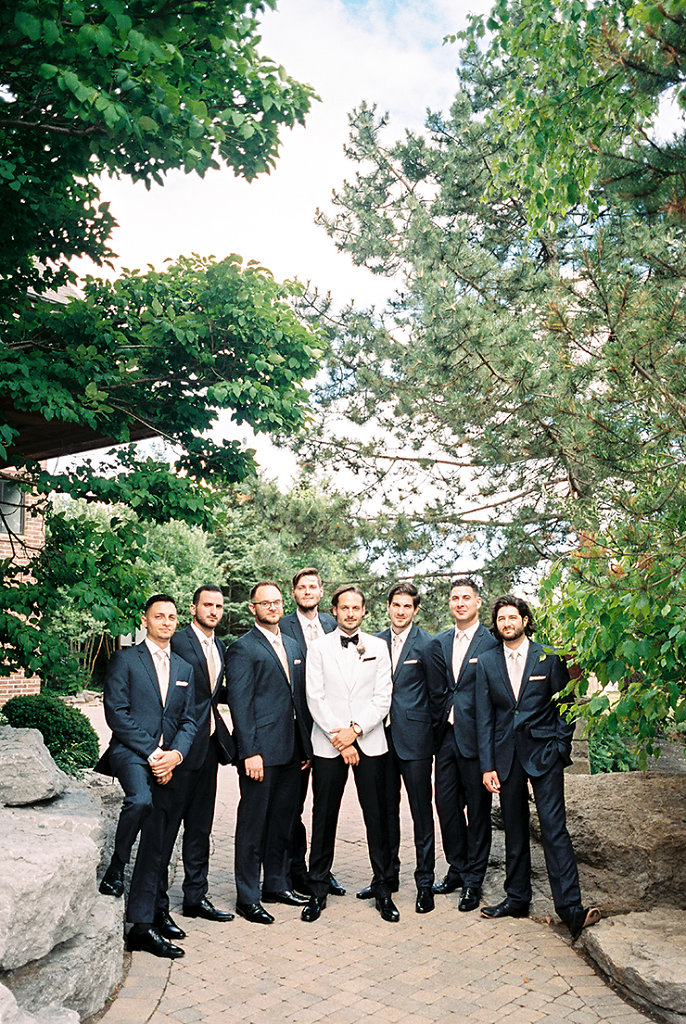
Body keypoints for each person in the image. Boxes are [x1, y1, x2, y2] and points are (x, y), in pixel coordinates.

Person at [476, 594, 601, 940]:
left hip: (545, 754)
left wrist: (561, 747)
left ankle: (570, 909)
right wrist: (488, 766)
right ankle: (517, 899)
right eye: (501, 619)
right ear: (496, 624)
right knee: (514, 830)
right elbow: (484, 719)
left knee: (553, 829)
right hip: (505, 759)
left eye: (512, 617)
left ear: (525, 620)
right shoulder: (486, 663)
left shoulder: (548, 657)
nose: (506, 623)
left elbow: (566, 705)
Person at [97, 594, 197, 959]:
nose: (167, 622)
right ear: (146, 619)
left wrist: (174, 755)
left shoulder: (185, 668)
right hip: (130, 753)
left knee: (157, 841)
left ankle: (141, 926)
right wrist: (153, 753)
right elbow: (116, 713)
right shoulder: (126, 659)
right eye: (160, 616)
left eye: (172, 616)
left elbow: (190, 720)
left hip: (167, 761)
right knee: (139, 800)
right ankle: (116, 866)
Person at [301, 584, 397, 924]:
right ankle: (317, 890)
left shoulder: (379, 646)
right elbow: (315, 697)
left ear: (365, 611)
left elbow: (383, 698)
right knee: (323, 816)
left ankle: (383, 888)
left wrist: (355, 732)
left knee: (377, 817)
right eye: (345, 608)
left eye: (357, 608)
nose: (351, 613)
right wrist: (340, 739)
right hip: (328, 745)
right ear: (335, 610)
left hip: (370, 742)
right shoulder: (319, 647)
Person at [226, 581, 312, 924]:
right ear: (253, 608)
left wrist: (305, 747)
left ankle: (276, 883)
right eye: (265, 603)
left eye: (277, 602)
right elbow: (240, 704)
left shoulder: (293, 645)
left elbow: (300, 700)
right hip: (260, 752)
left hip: (292, 750)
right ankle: (247, 896)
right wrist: (249, 752)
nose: (273, 608)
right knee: (253, 823)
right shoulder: (242, 649)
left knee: (283, 820)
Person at [355, 582, 435, 913]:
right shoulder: (370, 642)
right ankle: (385, 878)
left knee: (421, 812)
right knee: (384, 811)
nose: (400, 611)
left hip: (414, 740)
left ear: (415, 611)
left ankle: (425, 883)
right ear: (387, 606)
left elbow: (435, 694)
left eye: (407, 606)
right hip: (378, 739)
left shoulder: (428, 645)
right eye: (396, 605)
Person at [158, 584, 235, 925]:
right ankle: (157, 904)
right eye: (207, 605)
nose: (214, 611)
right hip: (178, 749)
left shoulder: (220, 645)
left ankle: (195, 896)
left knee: (200, 828)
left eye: (219, 606)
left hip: (208, 750)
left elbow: (212, 696)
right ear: (193, 609)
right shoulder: (177, 641)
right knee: (167, 828)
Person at [426, 577, 499, 911]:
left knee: (479, 811)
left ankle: (473, 881)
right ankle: (456, 867)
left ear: (478, 602)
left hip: (478, 740)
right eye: (454, 598)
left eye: (466, 598)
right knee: (446, 806)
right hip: (445, 738)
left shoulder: (492, 642)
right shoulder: (439, 642)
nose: (459, 603)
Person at [279, 567, 344, 897]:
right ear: (294, 593)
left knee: (327, 805)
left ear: (321, 593)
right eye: (301, 587)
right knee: (295, 806)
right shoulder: (283, 626)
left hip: (334, 730)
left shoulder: (334, 625)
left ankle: (323, 869)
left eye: (313, 587)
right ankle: (295, 870)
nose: (307, 591)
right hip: (299, 731)